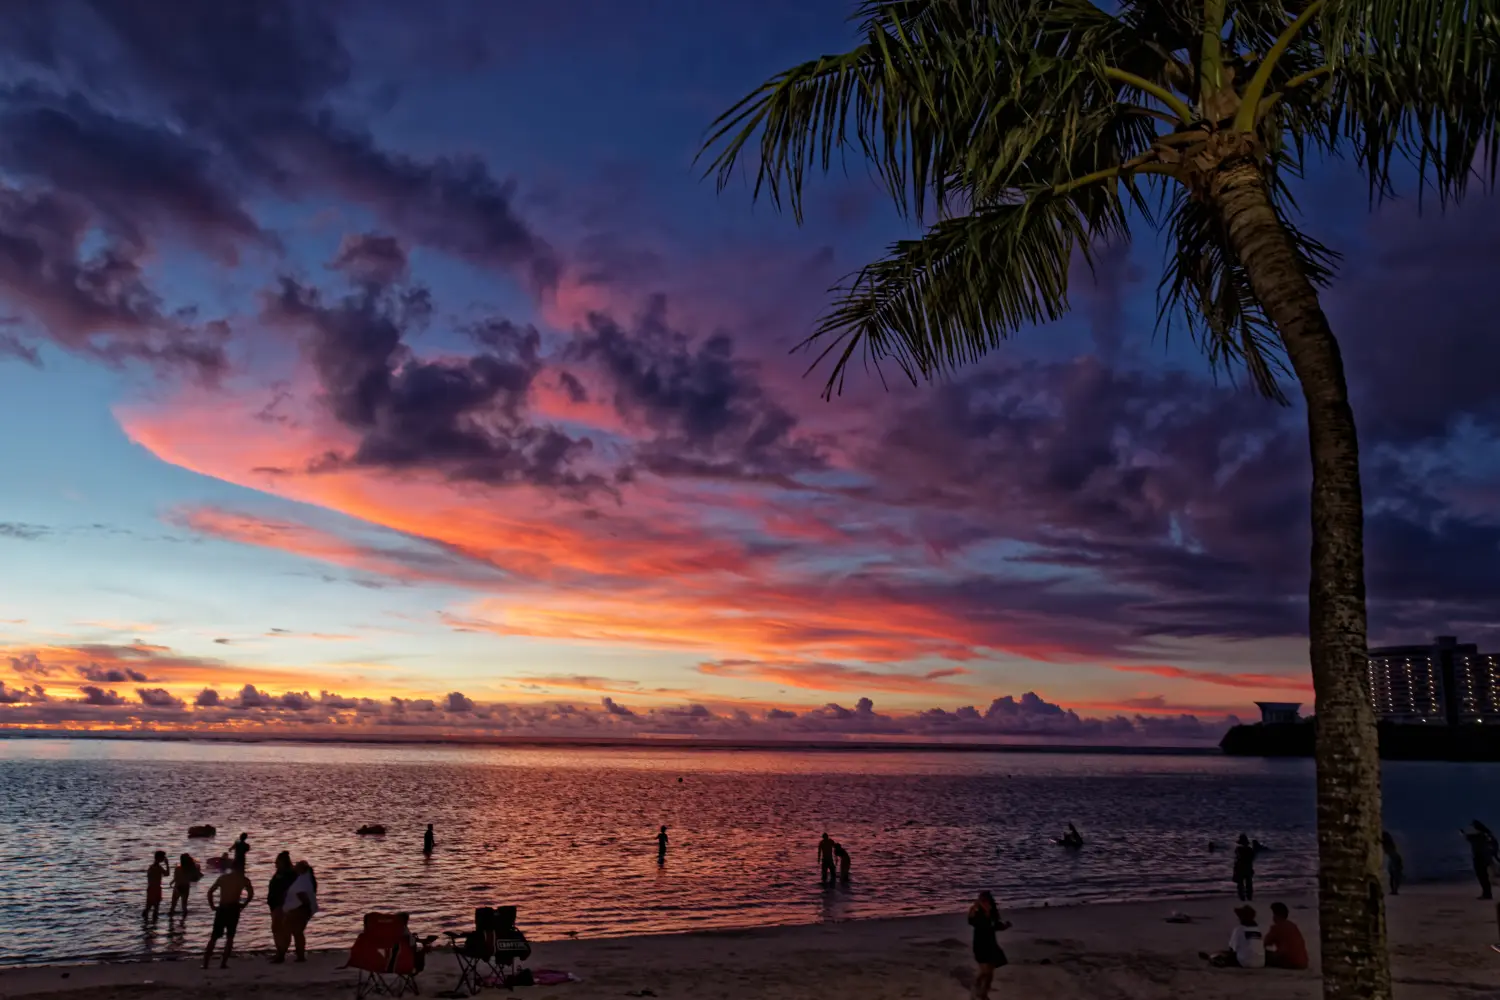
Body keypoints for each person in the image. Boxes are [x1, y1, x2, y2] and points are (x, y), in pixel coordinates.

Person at [203, 863, 254, 969]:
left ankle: (205, 964)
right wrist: (244, 904)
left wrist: (212, 905)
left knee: (214, 937)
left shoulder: (223, 878)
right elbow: (251, 893)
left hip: (223, 908)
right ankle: (223, 963)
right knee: (230, 937)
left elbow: (210, 892)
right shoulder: (243, 879)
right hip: (234, 908)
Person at [967, 891, 1011, 1000]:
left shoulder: (992, 913)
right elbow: (971, 921)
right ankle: (976, 986)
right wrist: (977, 908)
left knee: (990, 972)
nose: (985, 903)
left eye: (986, 901)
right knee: (985, 971)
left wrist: (1005, 926)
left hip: (991, 944)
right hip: (980, 944)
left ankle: (984, 993)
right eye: (983, 901)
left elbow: (996, 926)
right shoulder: (976, 912)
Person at [281, 860, 318, 962]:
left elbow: (302, 894)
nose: (294, 868)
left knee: (288, 932)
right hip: (300, 909)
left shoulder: (303, 880)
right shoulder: (307, 879)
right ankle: (299, 955)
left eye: (296, 866)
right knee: (297, 933)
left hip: (298, 910)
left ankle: (282, 955)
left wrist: (301, 907)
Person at [267, 851, 296, 963]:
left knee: (282, 929)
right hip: (275, 904)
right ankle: (279, 952)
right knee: (276, 929)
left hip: (283, 905)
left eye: (278, 861)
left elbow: (291, 890)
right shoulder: (279, 873)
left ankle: (281, 954)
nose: (275, 863)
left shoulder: (290, 875)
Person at [1263, 902, 1308, 970]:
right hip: (1302, 962)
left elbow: (1265, 943)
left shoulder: (1276, 927)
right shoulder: (1293, 926)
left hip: (1289, 961)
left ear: (1276, 915)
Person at [1464, 822, 1496, 899]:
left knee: (1482, 877)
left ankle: (1487, 894)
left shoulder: (1478, 837)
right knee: (1484, 877)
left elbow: (1468, 838)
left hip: (1480, 858)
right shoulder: (1487, 836)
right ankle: (1487, 893)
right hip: (1486, 858)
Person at [169, 853, 202, 917]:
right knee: (184, 906)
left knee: (173, 905)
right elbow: (196, 879)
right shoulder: (190, 870)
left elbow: (176, 878)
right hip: (185, 887)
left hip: (177, 887)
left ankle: (171, 921)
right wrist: (198, 870)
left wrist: (172, 882)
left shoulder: (178, 868)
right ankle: (183, 922)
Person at [143, 851, 170, 921]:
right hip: (155, 889)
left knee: (149, 907)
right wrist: (167, 865)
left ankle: (147, 923)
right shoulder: (156, 868)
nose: (164, 858)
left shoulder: (153, 867)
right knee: (152, 908)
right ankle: (152, 923)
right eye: (163, 857)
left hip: (153, 889)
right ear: (159, 858)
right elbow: (167, 874)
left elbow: (166, 874)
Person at [1233, 834, 1256, 902]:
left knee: (1240, 885)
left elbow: (1237, 860)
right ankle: (1249, 897)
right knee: (1249, 884)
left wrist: (1234, 871)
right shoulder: (1250, 850)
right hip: (1248, 868)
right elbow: (1252, 859)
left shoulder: (1238, 849)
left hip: (1240, 868)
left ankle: (1242, 898)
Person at [1381, 831, 1404, 896]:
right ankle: (1394, 890)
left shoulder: (1388, 845)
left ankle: (1394, 890)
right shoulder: (1390, 848)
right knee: (1393, 875)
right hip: (1394, 858)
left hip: (1394, 858)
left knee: (1394, 875)